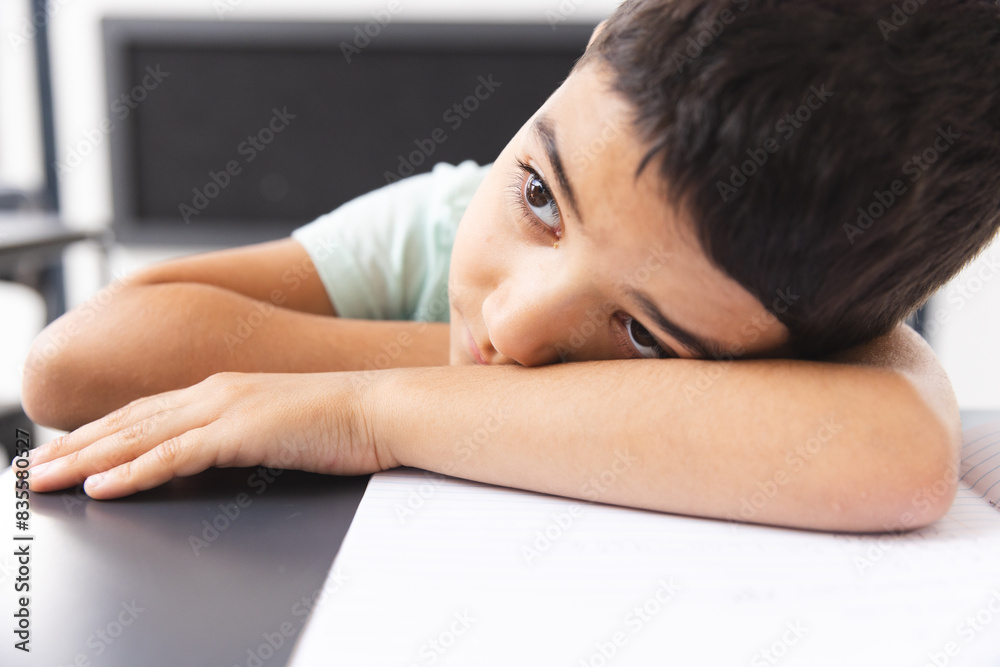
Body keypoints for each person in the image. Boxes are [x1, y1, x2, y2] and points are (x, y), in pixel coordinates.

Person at [19, 0, 1000, 532]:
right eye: (538, 197)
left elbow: (903, 458)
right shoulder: (433, 224)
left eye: (644, 334)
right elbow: (74, 364)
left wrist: (370, 409)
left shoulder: (813, 333)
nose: (516, 324)